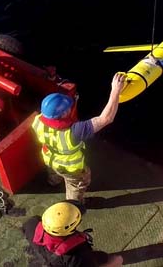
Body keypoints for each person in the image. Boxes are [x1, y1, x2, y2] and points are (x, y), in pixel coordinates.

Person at [32, 72, 127, 203]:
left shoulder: (37, 120)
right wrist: (115, 90)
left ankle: (53, 180)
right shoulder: (74, 132)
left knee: (54, 171)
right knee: (76, 185)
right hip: (71, 169)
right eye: (68, 108)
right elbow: (106, 118)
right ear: (63, 114)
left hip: (49, 158)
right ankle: (74, 204)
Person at [24, 202, 123, 267]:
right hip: (68, 262)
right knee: (113, 259)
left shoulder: (31, 223)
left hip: (47, 257)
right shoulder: (77, 256)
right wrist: (113, 263)